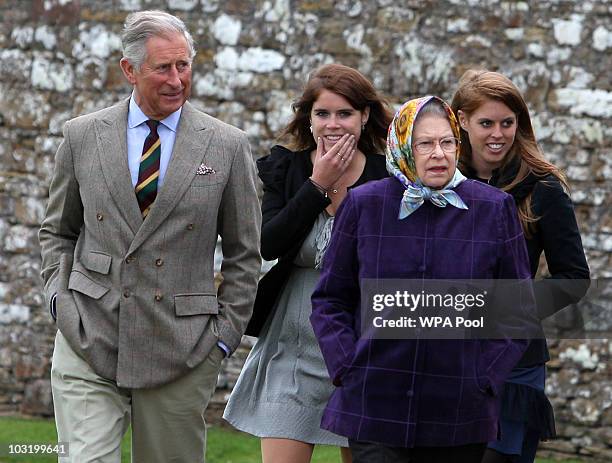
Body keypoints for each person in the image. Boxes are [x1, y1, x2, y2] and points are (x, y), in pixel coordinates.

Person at [38, 10, 261, 463]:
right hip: (88, 333)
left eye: (184, 65)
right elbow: (58, 231)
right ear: (129, 70)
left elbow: (245, 254)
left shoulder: (227, 146)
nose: (177, 79)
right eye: (163, 67)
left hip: (182, 349)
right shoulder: (81, 136)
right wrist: (60, 302)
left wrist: (223, 338)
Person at [310, 96, 533, 463]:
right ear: (401, 146)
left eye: (447, 142)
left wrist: (485, 377)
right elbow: (330, 299)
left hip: (460, 407)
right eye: (425, 144)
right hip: (375, 400)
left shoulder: (493, 208)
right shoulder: (365, 205)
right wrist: (348, 367)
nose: (439, 154)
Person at [223, 63, 392, 463]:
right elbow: (268, 243)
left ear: (365, 115)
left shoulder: (386, 177)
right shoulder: (286, 166)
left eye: (345, 113)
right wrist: (317, 185)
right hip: (293, 340)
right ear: (308, 117)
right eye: (322, 113)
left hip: (362, 341)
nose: (333, 124)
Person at [451, 70, 590, 463]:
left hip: (513, 362)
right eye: (486, 123)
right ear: (461, 120)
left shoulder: (543, 188)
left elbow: (573, 279)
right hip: (445, 356)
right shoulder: (438, 182)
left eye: (507, 123)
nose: (498, 133)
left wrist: (504, 307)